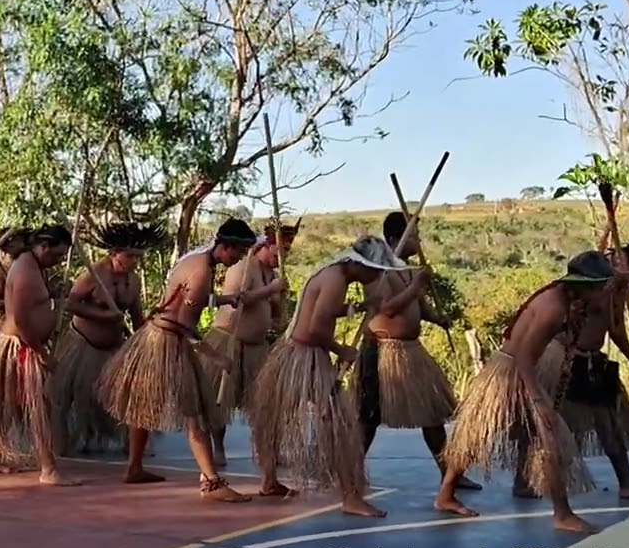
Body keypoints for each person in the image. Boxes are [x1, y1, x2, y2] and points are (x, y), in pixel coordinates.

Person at [440, 251, 614, 534]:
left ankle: (445, 494)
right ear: (586, 285)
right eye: (601, 285)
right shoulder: (553, 308)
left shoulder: (565, 298)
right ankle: (563, 514)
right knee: (549, 438)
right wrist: (537, 401)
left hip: (516, 370)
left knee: (479, 435)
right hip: (509, 372)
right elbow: (522, 355)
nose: (604, 290)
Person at [100, 218, 257, 501]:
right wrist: (216, 356)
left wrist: (225, 300)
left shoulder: (196, 260)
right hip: (168, 341)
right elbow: (185, 325)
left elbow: (191, 299)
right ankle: (212, 483)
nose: (240, 258)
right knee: (194, 412)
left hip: (155, 335)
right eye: (239, 252)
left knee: (142, 406)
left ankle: (134, 467)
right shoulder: (202, 271)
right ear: (226, 246)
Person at [247, 236, 402, 515]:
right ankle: (351, 497)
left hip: (294, 354)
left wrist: (357, 309)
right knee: (340, 425)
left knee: (273, 417)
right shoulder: (336, 280)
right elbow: (317, 328)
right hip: (306, 357)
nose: (378, 276)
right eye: (377, 271)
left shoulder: (332, 273)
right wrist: (342, 350)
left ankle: (269, 480)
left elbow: (325, 312)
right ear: (361, 265)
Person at [518, 237, 629, 501]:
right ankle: (524, 479)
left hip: (593, 360)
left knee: (610, 421)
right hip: (565, 359)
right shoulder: (601, 279)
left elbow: (614, 326)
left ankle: (627, 482)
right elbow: (578, 309)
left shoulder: (618, 285)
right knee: (547, 423)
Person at [356, 212, 481, 496]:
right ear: (394, 239)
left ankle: (449, 473)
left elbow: (420, 307)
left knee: (432, 414)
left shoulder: (409, 269)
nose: (419, 240)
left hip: (411, 352)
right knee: (368, 418)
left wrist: (438, 318)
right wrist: (415, 286)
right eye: (414, 235)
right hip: (382, 351)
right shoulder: (377, 269)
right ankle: (351, 474)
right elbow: (387, 308)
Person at [0, 225, 81, 486]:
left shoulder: (33, 267)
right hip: (21, 347)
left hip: (24, 345)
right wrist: (40, 351)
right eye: (56, 255)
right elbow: (20, 318)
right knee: (39, 406)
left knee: (10, 405)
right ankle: (48, 469)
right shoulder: (24, 270)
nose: (57, 261)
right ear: (43, 246)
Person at [50, 222, 163, 456]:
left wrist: (149, 334)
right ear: (113, 253)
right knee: (64, 396)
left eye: (137, 257)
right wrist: (103, 314)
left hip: (114, 346)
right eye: (129, 256)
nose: (133, 261)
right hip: (82, 344)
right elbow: (70, 304)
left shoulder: (134, 280)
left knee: (127, 393)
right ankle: (59, 441)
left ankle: (131, 442)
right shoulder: (92, 274)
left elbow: (136, 316)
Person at [200, 224, 293, 466]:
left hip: (257, 347)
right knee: (220, 401)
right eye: (280, 251)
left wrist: (277, 305)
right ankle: (217, 448)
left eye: (287, 251)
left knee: (265, 403)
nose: (283, 257)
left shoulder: (272, 274)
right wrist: (270, 290)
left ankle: (269, 450)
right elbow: (236, 300)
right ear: (267, 246)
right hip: (229, 341)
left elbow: (275, 314)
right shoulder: (243, 267)